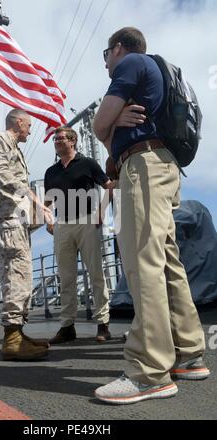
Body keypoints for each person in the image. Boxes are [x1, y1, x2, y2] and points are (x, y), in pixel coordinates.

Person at [93, 27, 209, 404]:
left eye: (106, 55)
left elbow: (98, 125)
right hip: (165, 166)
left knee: (144, 260)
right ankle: (189, 353)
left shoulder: (130, 64)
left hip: (142, 167)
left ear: (119, 48)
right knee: (167, 261)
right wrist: (116, 125)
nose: (107, 63)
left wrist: (110, 122)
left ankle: (149, 372)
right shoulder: (158, 69)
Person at [0, 108, 53, 361]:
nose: (31, 130)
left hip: (15, 220)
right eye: (30, 125)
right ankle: (12, 338)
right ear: (19, 122)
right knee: (16, 273)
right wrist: (31, 197)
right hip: (8, 218)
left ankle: (17, 334)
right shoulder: (0, 140)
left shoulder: (13, 146)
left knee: (22, 273)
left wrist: (37, 207)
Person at [44, 127, 116, 344]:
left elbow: (109, 186)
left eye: (60, 138)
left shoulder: (88, 164)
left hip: (86, 221)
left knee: (96, 274)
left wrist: (102, 211)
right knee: (66, 278)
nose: (56, 141)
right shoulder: (51, 172)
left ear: (73, 141)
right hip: (63, 226)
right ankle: (67, 327)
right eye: (55, 139)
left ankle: (103, 325)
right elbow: (47, 203)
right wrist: (49, 221)